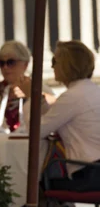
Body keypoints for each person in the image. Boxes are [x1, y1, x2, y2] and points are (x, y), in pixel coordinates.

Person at [24, 40, 100, 190]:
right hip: (94, 169)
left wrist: (30, 97)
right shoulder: (91, 90)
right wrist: (40, 100)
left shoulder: (72, 96)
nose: (52, 66)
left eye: (54, 61)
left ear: (67, 64)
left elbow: (35, 132)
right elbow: (55, 118)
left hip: (89, 172)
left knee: (36, 184)